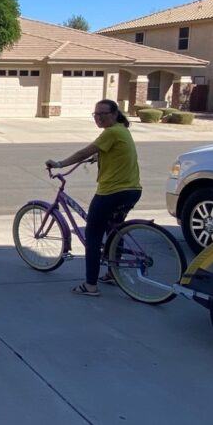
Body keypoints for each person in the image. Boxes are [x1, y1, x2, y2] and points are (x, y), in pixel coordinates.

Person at [45, 99, 141, 297]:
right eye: (95, 114)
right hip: (131, 191)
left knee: (93, 236)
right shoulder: (122, 130)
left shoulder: (111, 132)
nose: (98, 118)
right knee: (114, 229)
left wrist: (59, 164)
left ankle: (90, 285)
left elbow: (84, 152)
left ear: (115, 114)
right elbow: (114, 152)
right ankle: (113, 273)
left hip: (112, 192)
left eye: (103, 114)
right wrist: (99, 157)